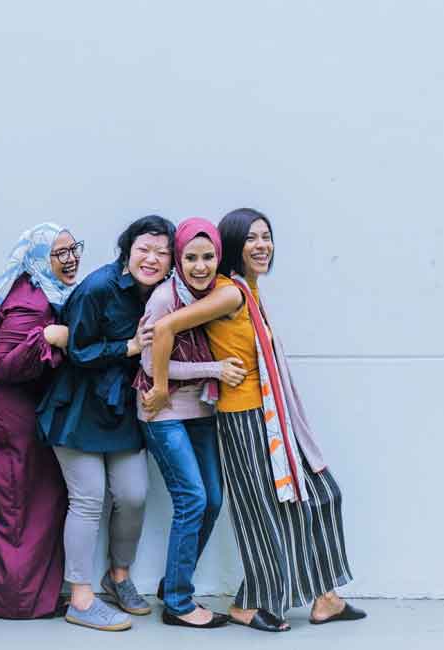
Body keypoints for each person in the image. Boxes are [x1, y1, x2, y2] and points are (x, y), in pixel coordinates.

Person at [143, 208, 366, 632]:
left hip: (267, 415)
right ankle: (251, 603)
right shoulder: (230, 293)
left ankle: (325, 597)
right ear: (233, 247)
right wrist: (157, 387)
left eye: (267, 236)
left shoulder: (247, 290)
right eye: (251, 239)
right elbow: (167, 327)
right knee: (261, 509)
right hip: (243, 416)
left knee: (316, 495)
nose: (262, 245)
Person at [38, 215, 176, 632]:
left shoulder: (164, 294)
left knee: (133, 494)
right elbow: (78, 350)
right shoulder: (98, 287)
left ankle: (118, 578)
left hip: (122, 410)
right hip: (78, 407)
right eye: (143, 249)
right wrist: (128, 346)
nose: (151, 259)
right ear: (127, 250)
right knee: (88, 499)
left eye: (161, 252)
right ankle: (80, 598)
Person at [0, 223, 80, 618]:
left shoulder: (38, 287)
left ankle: (7, 592)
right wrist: (50, 338)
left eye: (74, 249)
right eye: (59, 252)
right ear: (40, 257)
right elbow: (7, 364)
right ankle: (13, 600)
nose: (70, 258)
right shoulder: (31, 300)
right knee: (18, 505)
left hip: (8, 408)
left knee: (13, 501)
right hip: (8, 412)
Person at [135, 218, 243, 628]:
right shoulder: (165, 299)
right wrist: (215, 368)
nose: (200, 266)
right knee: (192, 500)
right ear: (178, 260)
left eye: (208, 257)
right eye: (190, 258)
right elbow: (149, 363)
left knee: (212, 500)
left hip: (199, 410)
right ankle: (179, 603)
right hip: (161, 411)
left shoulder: (216, 294)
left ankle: (173, 582)